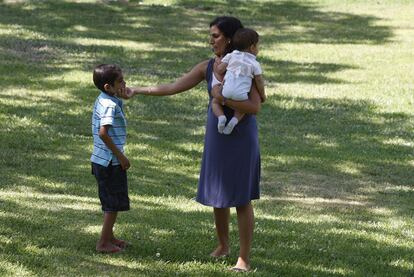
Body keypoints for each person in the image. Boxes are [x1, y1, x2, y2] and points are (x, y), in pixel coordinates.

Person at [124, 16, 263, 271]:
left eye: (216, 36)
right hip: (217, 138)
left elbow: (255, 106)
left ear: (230, 38)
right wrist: (138, 90)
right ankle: (223, 246)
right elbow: (173, 86)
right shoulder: (207, 67)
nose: (211, 41)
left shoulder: (245, 65)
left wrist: (223, 99)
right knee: (218, 193)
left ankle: (243, 258)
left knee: (242, 198)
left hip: (241, 139)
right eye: (210, 36)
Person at [91, 64, 131, 253]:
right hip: (109, 162)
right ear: (108, 87)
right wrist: (120, 156)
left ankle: (110, 237)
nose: (124, 83)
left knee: (111, 202)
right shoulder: (109, 104)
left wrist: (121, 95)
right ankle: (103, 243)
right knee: (112, 205)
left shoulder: (104, 99)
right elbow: (103, 133)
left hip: (101, 160)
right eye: (120, 81)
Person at [212, 27, 265, 135]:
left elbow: (220, 69)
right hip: (241, 95)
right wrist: (262, 95)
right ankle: (234, 121)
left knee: (215, 102)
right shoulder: (254, 64)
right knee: (242, 108)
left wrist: (218, 61)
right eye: (258, 46)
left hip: (225, 91)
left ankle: (221, 117)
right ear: (252, 47)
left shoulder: (231, 56)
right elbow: (259, 81)